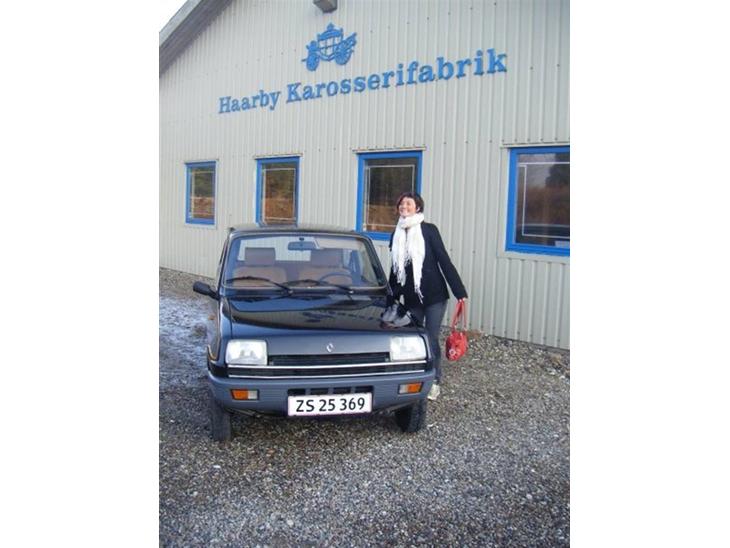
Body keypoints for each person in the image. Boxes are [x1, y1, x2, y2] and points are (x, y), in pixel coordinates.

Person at [386, 192, 468, 401]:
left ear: (418, 207)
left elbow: (443, 260)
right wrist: (389, 297)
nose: (404, 206)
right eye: (401, 203)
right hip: (411, 297)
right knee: (413, 339)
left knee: (430, 339)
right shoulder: (396, 234)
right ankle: (414, 378)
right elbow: (395, 270)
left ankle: (434, 381)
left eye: (408, 203)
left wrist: (459, 292)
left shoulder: (429, 230)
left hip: (434, 296)